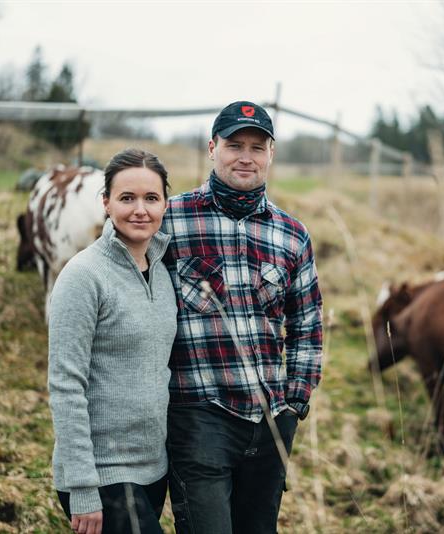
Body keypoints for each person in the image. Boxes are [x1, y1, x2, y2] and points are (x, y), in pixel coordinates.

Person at [161, 101, 323, 533]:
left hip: (270, 420)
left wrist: (294, 402)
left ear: (271, 154)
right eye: (235, 145)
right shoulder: (170, 220)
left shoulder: (292, 234)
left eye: (257, 147)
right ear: (212, 148)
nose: (245, 157)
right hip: (199, 415)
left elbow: (307, 325)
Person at [48, 148, 178, 534]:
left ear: (165, 204)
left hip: (152, 470)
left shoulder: (163, 272)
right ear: (106, 203)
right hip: (102, 473)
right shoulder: (83, 276)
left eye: (151, 198)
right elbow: (65, 385)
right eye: (126, 198)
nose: (140, 210)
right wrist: (83, 487)